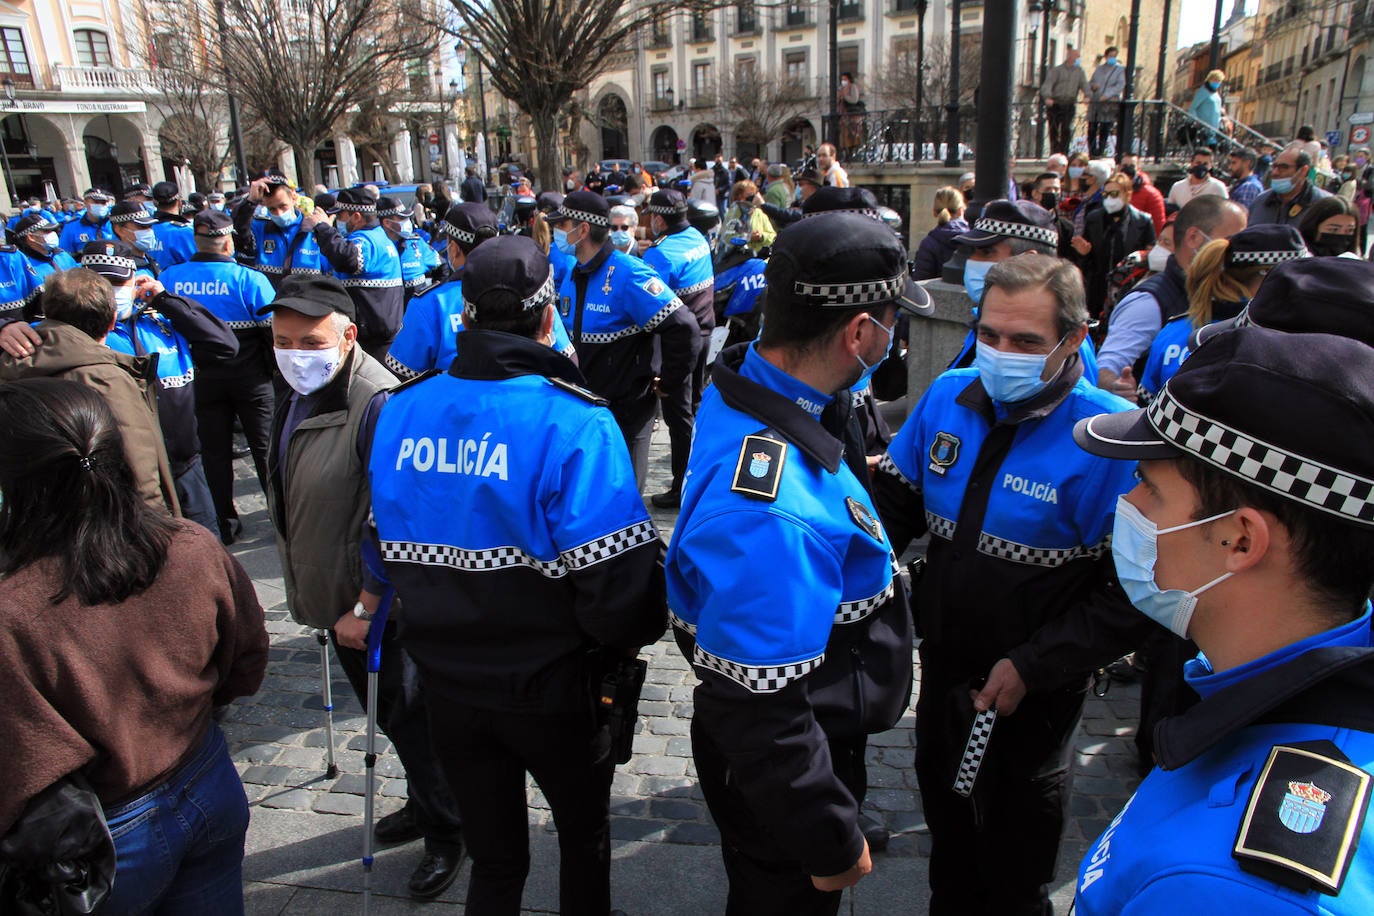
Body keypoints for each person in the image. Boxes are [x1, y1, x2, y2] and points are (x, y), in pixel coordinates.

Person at [367, 235, 664, 915]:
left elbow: (382, 541)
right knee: (583, 841)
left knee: (495, 861)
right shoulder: (574, 418)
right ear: (548, 315)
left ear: (463, 317)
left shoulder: (402, 411)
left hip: (446, 683)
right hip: (556, 686)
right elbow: (618, 587)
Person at [668, 212, 929, 913]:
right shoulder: (772, 510)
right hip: (788, 763)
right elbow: (761, 709)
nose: (894, 336)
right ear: (858, 333)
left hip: (807, 729)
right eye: (891, 321)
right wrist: (830, 837)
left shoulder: (763, 381)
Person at [1071, 324, 1374, 914]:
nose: (1127, 505)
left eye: (1148, 486)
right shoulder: (1267, 686)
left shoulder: (1226, 885)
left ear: (1240, 540)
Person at [873, 253, 1139, 915]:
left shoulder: (1108, 438)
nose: (999, 353)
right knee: (949, 851)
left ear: (1075, 339)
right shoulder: (947, 395)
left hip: (1034, 696)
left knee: (1016, 873)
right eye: (989, 334)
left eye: (1024, 341)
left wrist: (1033, 666)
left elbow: (1135, 595)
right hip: (943, 672)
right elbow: (892, 511)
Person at [0, 378, 267, 914]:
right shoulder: (189, 545)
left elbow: (21, 763)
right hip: (205, 783)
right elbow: (247, 659)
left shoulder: (14, 609)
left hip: (106, 834)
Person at [260, 273, 464, 899]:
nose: (295, 353)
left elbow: (391, 516)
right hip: (335, 587)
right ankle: (425, 801)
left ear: (348, 336)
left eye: (310, 340)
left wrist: (365, 605)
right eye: (283, 339)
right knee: (392, 718)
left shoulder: (377, 401)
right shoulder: (303, 390)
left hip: (376, 604)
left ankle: (448, 829)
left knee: (410, 716)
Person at [79, 240, 236, 535]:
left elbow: (225, 345)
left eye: (118, 282)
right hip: (125, 482)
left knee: (205, 556)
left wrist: (165, 300)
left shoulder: (161, 319)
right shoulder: (76, 333)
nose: (110, 291)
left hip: (184, 467)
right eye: (101, 283)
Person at [546, 191, 699, 488]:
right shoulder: (573, 273)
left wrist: (668, 382)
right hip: (586, 412)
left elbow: (684, 327)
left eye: (562, 224)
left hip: (626, 415)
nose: (557, 232)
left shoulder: (629, 273)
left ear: (583, 229)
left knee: (625, 504)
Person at [0, 267, 179, 514]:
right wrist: (162, 533)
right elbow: (141, 475)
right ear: (113, 321)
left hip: (34, 529)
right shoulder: (107, 380)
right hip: (108, 529)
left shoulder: (9, 370)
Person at [159, 210, 278, 545]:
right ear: (228, 242)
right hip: (250, 376)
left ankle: (223, 522)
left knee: (213, 451)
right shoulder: (249, 279)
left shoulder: (169, 278)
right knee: (264, 448)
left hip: (199, 376)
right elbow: (273, 332)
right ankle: (280, 519)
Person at [1097, 195, 1249, 396]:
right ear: (1194, 238)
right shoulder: (1150, 302)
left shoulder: (1239, 297)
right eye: (1232, 242)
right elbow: (1107, 368)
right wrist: (1119, 389)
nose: (1242, 252)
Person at [1139, 225, 1306, 402]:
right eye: (1300, 278)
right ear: (1269, 278)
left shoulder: (1172, 331)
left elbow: (1145, 408)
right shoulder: (1284, 340)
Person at [641, 189, 714, 508]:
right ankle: (699, 475)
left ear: (658, 219)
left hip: (680, 345)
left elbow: (650, 306)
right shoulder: (697, 236)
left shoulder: (660, 253)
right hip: (705, 334)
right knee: (695, 408)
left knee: (677, 415)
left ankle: (681, 487)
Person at [384, 203, 498, 381]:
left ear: (454, 249)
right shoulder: (528, 292)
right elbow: (556, 352)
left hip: (452, 406)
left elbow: (402, 375)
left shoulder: (430, 304)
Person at [311, 188, 405, 362]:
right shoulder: (381, 237)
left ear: (356, 217)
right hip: (381, 332)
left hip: (372, 338)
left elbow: (347, 259)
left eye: (340, 216)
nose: (337, 221)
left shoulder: (365, 240)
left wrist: (323, 228)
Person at [232, 170, 329, 289]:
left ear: (293, 197)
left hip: (309, 303)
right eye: (272, 209)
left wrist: (326, 230)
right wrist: (250, 202)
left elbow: (333, 271)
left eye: (283, 206)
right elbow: (238, 235)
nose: (279, 213)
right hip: (273, 303)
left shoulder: (314, 228)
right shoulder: (260, 228)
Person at [1078, 171, 1157, 318]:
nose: (1109, 199)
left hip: (1128, 287)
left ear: (1127, 194)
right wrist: (1083, 253)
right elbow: (1087, 257)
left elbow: (1149, 256)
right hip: (1098, 287)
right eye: (1105, 194)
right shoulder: (1094, 218)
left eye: (1114, 194)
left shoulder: (1143, 221)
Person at [1247, 146, 1331, 227]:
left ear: (1303, 171)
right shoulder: (1260, 202)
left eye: (1283, 167)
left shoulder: (1323, 204)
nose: (1275, 173)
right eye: (1274, 167)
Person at [377, 196, 441, 301]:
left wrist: (433, 295)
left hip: (416, 310)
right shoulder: (377, 247)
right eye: (402, 218)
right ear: (387, 223)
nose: (407, 222)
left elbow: (442, 268)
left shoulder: (415, 243)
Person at [12, 213, 78, 313]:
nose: (53, 234)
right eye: (47, 231)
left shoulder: (62, 255)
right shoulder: (23, 266)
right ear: (31, 237)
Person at [912, 187, 969, 280]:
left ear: (934, 212)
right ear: (961, 210)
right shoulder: (973, 240)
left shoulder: (929, 243)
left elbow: (921, 279)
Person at [1041, 46, 1088, 154]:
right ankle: (1054, 152)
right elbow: (1048, 84)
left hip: (1069, 103)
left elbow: (1084, 84)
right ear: (1070, 56)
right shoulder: (1057, 70)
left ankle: (1064, 152)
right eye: (1077, 56)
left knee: (1067, 129)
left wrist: (1087, 95)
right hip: (1055, 104)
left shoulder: (1080, 71)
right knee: (1054, 129)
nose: (1079, 58)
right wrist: (1047, 97)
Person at [149, 181, 196, 271]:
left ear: (155, 203)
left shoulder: (146, 230)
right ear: (179, 202)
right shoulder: (185, 232)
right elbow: (197, 265)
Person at [1087, 47, 1126, 157]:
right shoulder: (1099, 69)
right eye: (1110, 56)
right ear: (1106, 56)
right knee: (1092, 128)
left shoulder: (1119, 70)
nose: (1112, 58)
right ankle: (1092, 151)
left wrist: (1107, 95)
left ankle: (1101, 151)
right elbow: (1091, 82)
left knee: (1105, 128)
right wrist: (1093, 86)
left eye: (1114, 56)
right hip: (1096, 101)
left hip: (1108, 103)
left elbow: (1120, 85)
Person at [721, 180, 776, 255]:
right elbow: (727, 237)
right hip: (738, 257)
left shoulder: (759, 213)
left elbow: (772, 236)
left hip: (758, 257)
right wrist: (748, 238)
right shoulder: (734, 213)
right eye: (749, 196)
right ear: (739, 196)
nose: (753, 198)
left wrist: (761, 236)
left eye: (754, 195)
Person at [58, 188, 115, 256]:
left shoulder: (114, 224)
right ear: (85, 203)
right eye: (96, 202)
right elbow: (65, 256)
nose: (100, 205)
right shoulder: (71, 227)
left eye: (103, 203)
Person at [1188, 69, 1229, 145]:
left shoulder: (1216, 93)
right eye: (1215, 80)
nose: (1217, 83)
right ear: (1209, 79)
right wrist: (1194, 121)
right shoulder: (1202, 91)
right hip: (1204, 128)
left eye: (1219, 81)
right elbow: (1193, 107)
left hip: (1214, 127)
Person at [838, 71, 864, 159]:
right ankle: (846, 152)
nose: (843, 81)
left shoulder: (852, 87)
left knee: (853, 133)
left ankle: (853, 152)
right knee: (844, 134)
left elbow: (854, 99)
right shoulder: (841, 89)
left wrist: (845, 96)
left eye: (845, 79)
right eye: (842, 79)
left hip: (852, 114)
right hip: (844, 115)